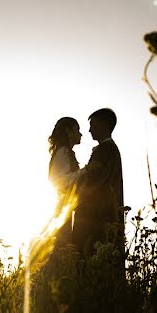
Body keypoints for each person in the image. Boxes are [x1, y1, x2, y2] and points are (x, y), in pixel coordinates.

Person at [71, 108, 124, 261]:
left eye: (93, 125)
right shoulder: (108, 149)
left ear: (105, 125)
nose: (89, 130)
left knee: (91, 257)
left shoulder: (106, 150)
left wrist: (74, 198)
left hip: (97, 217)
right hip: (101, 214)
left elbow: (94, 181)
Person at [47, 116, 82, 248]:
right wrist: (85, 171)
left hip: (64, 207)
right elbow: (60, 181)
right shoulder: (63, 152)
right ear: (68, 131)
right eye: (77, 130)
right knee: (62, 245)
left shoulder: (66, 152)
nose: (80, 134)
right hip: (62, 208)